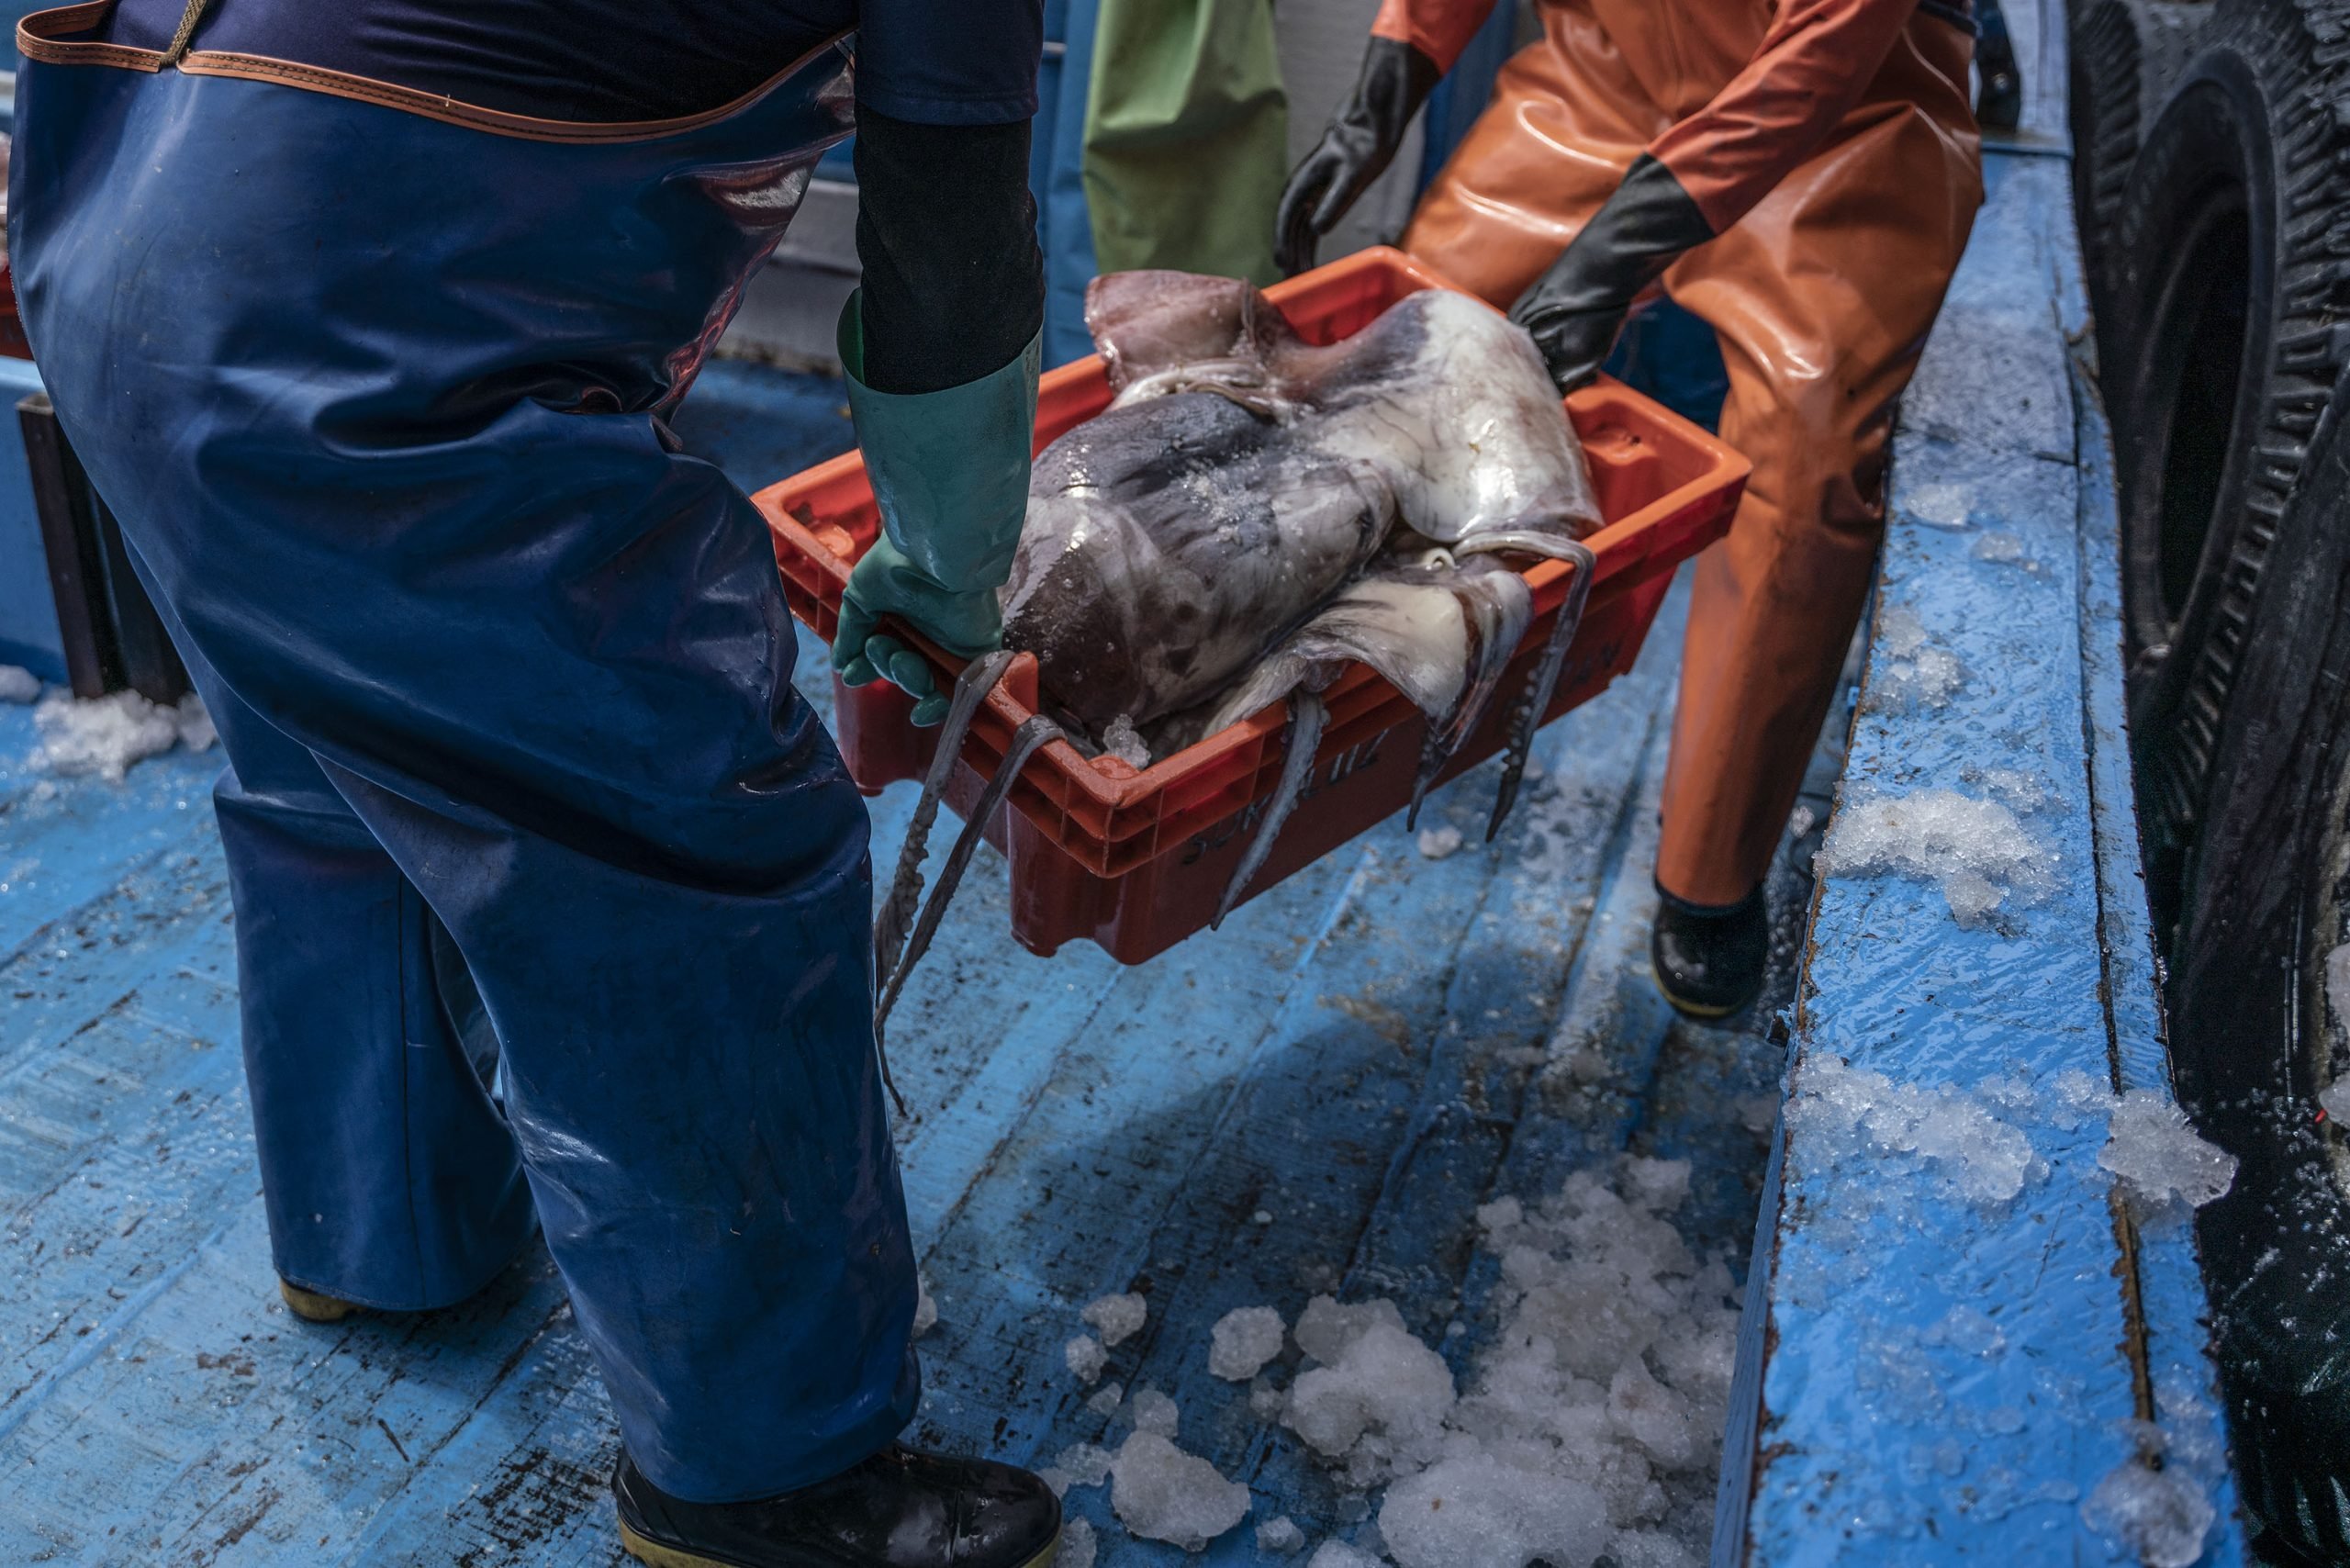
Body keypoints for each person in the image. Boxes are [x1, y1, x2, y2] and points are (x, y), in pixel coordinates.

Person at [9, 2, 1058, 1563]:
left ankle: (383, 1235)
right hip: (356, 333)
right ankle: (768, 1476)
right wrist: (956, 567)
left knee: (339, 774)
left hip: (121, 277)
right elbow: (951, 253)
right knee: (688, 849)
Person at [1278, 0, 1984, 1017]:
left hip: (1841, 126)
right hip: (1603, 82)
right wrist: (1387, 84)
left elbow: (1826, 47)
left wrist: (1612, 258)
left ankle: (1710, 874)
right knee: (1423, 329)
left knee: (1808, 463)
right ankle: (1338, 694)